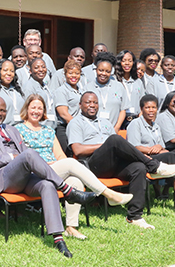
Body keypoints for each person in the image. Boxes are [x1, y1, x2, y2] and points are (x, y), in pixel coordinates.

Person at [0, 96, 97, 257]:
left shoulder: (11, 130)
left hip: (22, 176)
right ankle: (66, 189)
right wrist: (10, 158)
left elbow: (24, 155)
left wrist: (21, 160)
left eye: (2, 110)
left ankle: (58, 239)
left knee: (47, 185)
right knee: (30, 153)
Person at [15, 95, 133, 239]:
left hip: (54, 170)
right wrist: (50, 164)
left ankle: (71, 227)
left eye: (40, 108)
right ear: (26, 109)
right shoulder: (18, 130)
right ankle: (108, 194)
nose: (36, 111)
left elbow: (60, 156)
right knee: (71, 162)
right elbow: (22, 159)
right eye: (33, 107)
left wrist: (59, 164)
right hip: (34, 174)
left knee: (75, 182)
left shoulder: (48, 131)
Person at [67, 91, 175, 229]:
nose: (92, 105)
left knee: (138, 167)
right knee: (115, 139)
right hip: (92, 165)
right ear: (80, 105)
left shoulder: (105, 122)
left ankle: (135, 216)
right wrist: (105, 145)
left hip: (114, 163)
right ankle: (154, 166)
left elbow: (117, 147)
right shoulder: (75, 123)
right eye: (88, 102)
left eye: (95, 102)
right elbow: (78, 150)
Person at [82, 52, 126, 131]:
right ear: (96, 70)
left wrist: (116, 128)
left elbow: (123, 110)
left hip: (113, 131)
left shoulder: (119, 87)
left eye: (107, 71)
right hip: (92, 131)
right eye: (101, 70)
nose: (103, 74)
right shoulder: (88, 88)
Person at [54, 60, 84, 156]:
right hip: (65, 127)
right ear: (65, 74)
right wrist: (77, 126)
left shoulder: (82, 91)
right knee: (68, 155)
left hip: (79, 127)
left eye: (77, 73)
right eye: (70, 73)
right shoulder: (61, 91)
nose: (74, 76)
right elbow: (63, 114)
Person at [22, 58, 57, 129]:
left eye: (43, 67)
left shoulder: (45, 86)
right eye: (36, 68)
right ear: (30, 71)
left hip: (50, 128)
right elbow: (28, 109)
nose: (41, 69)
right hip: (38, 128)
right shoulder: (29, 86)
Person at [114, 50, 145, 130]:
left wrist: (140, 120)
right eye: (124, 61)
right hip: (118, 120)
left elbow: (142, 104)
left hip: (135, 119)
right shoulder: (114, 80)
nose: (127, 63)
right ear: (119, 63)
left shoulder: (138, 82)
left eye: (130, 61)